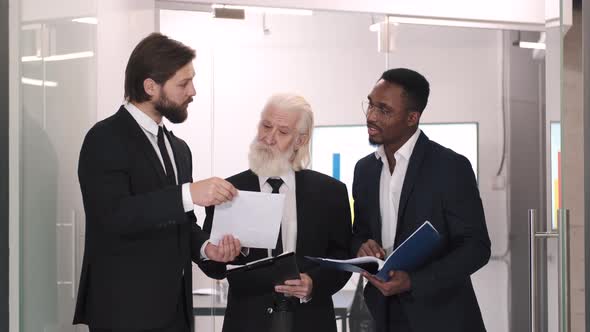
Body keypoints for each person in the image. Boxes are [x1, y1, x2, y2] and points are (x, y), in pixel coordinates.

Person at [73, 32, 242, 332]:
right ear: (150, 86)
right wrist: (187, 193)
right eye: (183, 83)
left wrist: (207, 250)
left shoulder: (179, 149)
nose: (193, 91)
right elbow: (113, 215)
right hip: (123, 314)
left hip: (176, 315)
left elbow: (182, 224)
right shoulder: (103, 139)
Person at [351, 68, 491, 332]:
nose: (371, 116)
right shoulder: (365, 170)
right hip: (383, 315)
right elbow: (360, 232)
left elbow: (476, 247)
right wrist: (362, 246)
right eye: (370, 104)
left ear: (412, 118)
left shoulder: (451, 167)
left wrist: (413, 281)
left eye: (384, 110)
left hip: (442, 317)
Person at [199, 93, 352, 332]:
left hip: (311, 321)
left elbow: (342, 257)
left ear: (300, 140)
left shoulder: (331, 192)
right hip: (246, 322)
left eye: (282, 132)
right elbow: (213, 267)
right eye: (266, 126)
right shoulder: (227, 190)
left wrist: (314, 284)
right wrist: (221, 255)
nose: (268, 138)